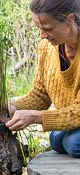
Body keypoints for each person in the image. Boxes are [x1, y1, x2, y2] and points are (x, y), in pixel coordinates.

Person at [6, 0, 80, 157]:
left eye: (48, 29)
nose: (42, 35)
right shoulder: (46, 47)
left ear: (70, 20)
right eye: (39, 29)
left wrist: (35, 117)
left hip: (77, 118)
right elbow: (40, 94)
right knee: (56, 140)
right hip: (74, 124)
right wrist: (12, 108)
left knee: (73, 144)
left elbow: (78, 112)